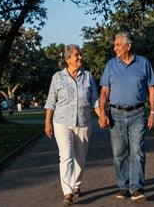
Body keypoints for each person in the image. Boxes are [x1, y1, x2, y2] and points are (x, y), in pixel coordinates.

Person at [98, 31, 154, 202]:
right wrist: (102, 112)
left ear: (128, 46)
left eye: (117, 45)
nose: (114, 48)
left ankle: (136, 188)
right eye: (115, 45)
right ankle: (123, 186)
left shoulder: (143, 63)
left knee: (138, 151)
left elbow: (152, 89)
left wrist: (153, 112)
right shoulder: (111, 65)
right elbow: (104, 91)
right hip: (115, 114)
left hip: (138, 113)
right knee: (119, 153)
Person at [44, 44, 100, 205]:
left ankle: (76, 185)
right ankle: (67, 192)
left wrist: (102, 116)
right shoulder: (57, 77)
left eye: (80, 54)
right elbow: (50, 101)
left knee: (80, 157)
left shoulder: (87, 76)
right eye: (77, 55)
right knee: (66, 156)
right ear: (68, 59)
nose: (80, 57)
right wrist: (47, 122)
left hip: (83, 121)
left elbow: (94, 100)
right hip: (61, 122)